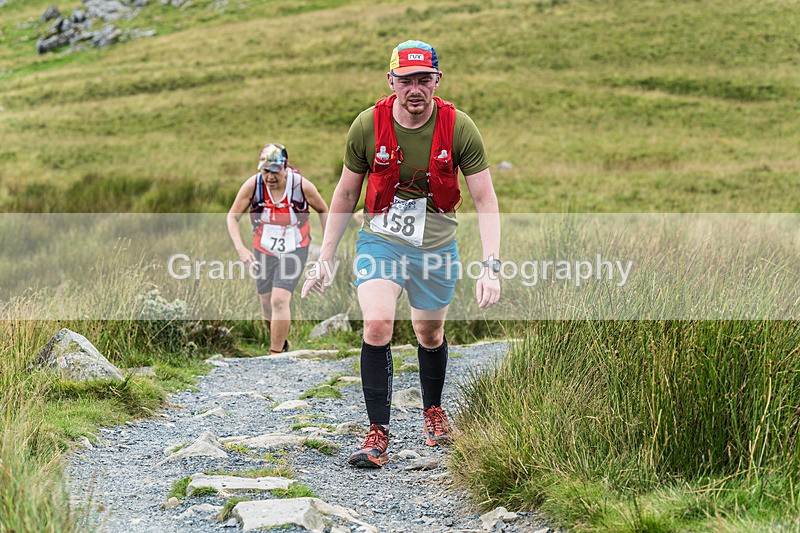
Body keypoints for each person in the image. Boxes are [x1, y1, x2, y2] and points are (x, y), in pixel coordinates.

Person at [301, 40, 501, 468]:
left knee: (429, 334)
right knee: (377, 324)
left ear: (437, 81)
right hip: (381, 239)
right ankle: (377, 433)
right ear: (391, 81)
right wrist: (326, 254)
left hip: (436, 244)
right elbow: (346, 192)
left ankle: (433, 411)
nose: (415, 89)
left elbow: (485, 197)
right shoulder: (366, 126)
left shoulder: (459, 127)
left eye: (423, 80)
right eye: (406, 80)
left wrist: (491, 266)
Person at [227, 143, 329, 354]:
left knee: (279, 300)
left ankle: (274, 357)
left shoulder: (301, 186)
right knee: (266, 305)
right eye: (266, 171)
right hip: (263, 248)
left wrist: (328, 248)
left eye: (275, 171)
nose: (270, 177)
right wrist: (241, 249)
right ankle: (281, 345)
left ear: (285, 168)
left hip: (295, 247)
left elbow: (324, 209)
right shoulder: (253, 185)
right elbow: (232, 216)